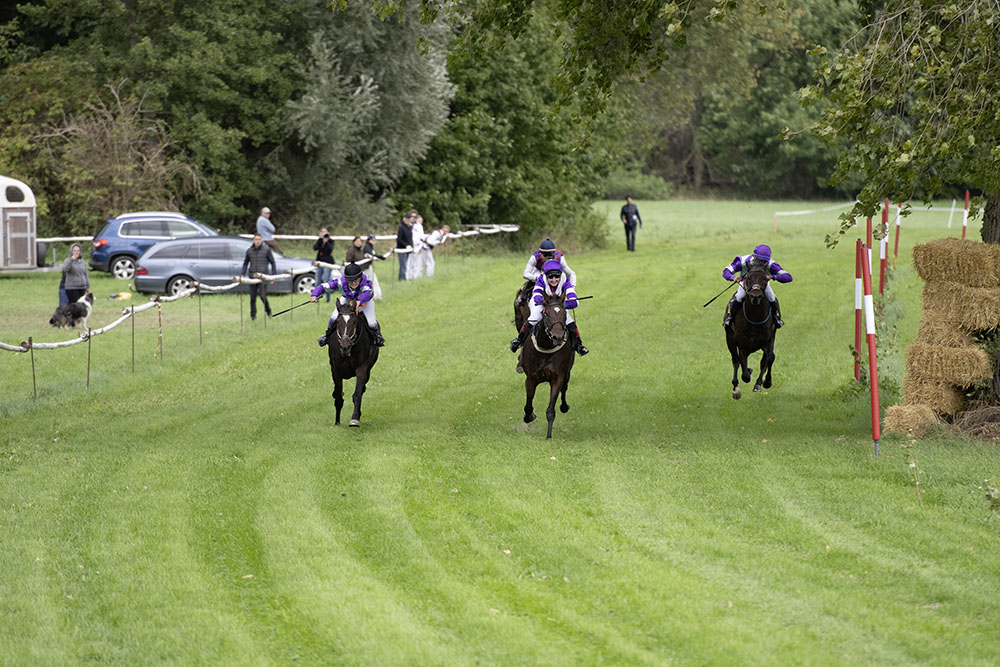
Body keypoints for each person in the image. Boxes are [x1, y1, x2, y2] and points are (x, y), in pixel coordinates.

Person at [510, 259, 588, 356]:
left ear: (560, 275)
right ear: (546, 276)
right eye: (550, 277)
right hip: (542, 304)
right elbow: (536, 296)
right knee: (534, 318)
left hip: (558, 305)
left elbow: (574, 302)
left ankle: (579, 345)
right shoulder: (541, 279)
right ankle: (519, 340)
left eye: (557, 276)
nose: (554, 279)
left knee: (570, 322)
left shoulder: (565, 280)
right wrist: (544, 302)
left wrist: (563, 305)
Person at [310, 262, 385, 347]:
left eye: (356, 279)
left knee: (372, 323)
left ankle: (378, 336)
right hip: (347, 299)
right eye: (350, 280)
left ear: (360, 278)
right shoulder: (340, 282)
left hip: (365, 302)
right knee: (333, 318)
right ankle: (326, 336)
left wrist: (359, 301)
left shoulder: (365, 281)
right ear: (346, 279)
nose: (354, 283)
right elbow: (323, 286)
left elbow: (368, 293)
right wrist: (314, 295)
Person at [721, 244, 793, 329]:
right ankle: (730, 318)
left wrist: (773, 277)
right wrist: (733, 277)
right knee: (739, 296)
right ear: (754, 257)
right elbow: (726, 271)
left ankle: (776, 318)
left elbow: (788, 277)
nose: (761, 263)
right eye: (759, 260)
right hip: (746, 283)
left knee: (771, 297)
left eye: (763, 261)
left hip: (762, 285)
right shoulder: (742, 261)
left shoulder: (771, 264)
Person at [516, 238, 577, 306]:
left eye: (550, 254)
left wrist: (572, 288)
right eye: (545, 255)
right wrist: (537, 278)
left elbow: (571, 274)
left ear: (554, 253)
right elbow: (525, 274)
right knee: (534, 281)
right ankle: (522, 297)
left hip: (553, 272)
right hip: (538, 271)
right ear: (540, 253)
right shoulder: (535, 257)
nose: (548, 257)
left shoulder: (559, 257)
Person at [242, 234, 277, 320]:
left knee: (262, 296)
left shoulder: (266, 250)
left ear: (261, 240)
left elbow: (273, 262)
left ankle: (268, 311)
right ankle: (253, 317)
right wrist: (242, 274)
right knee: (252, 298)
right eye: (256, 239)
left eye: (259, 239)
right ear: (253, 240)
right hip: (252, 277)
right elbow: (245, 263)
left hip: (263, 277)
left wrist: (273, 276)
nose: (257, 241)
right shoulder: (249, 251)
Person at [313, 227, 335, 303]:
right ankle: (316, 298)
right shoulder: (320, 241)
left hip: (327, 263)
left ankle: (328, 299)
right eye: (322, 232)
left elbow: (330, 250)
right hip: (319, 263)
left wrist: (326, 241)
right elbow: (315, 248)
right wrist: (320, 239)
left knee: (326, 281)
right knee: (317, 281)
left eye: (325, 232)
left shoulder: (331, 241)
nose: (324, 234)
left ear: (328, 233)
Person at [363, 234, 385, 300]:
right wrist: (379, 257)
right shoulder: (367, 247)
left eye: (375, 240)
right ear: (369, 240)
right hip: (366, 267)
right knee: (368, 281)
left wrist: (380, 256)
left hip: (370, 266)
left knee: (374, 280)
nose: (374, 241)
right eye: (372, 240)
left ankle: (377, 296)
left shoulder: (370, 247)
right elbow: (371, 255)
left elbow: (374, 255)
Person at [396, 210, 415, 281]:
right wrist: (406, 245)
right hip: (401, 249)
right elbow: (399, 239)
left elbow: (410, 238)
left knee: (405, 265)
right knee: (403, 265)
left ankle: (402, 278)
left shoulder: (409, 227)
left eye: (409, 218)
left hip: (408, 249)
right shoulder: (401, 227)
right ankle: (402, 279)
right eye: (407, 218)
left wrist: (411, 246)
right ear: (404, 219)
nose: (408, 220)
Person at [407, 214, 426, 280]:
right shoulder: (409, 225)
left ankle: (415, 277)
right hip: (410, 246)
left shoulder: (419, 226)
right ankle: (408, 276)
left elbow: (422, 236)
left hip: (418, 246)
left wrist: (421, 244)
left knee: (417, 262)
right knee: (409, 262)